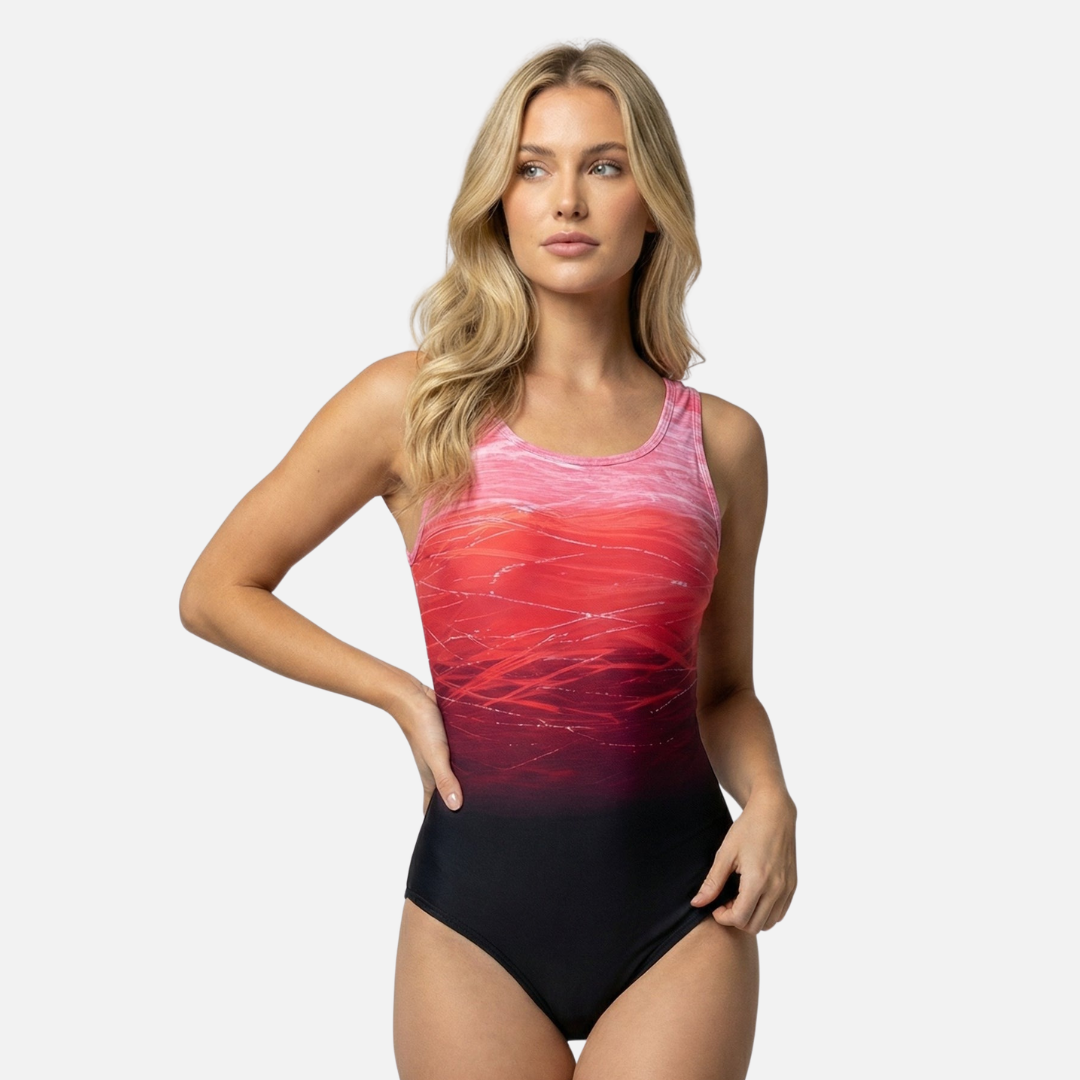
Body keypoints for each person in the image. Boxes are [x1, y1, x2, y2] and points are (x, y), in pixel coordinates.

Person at [180, 39, 797, 1080]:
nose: (568, 199)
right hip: (473, 923)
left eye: (605, 165)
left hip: (684, 910)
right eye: (532, 166)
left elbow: (725, 691)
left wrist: (773, 799)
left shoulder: (720, 443)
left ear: (653, 201)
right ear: (497, 201)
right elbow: (216, 591)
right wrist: (401, 696)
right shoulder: (414, 404)